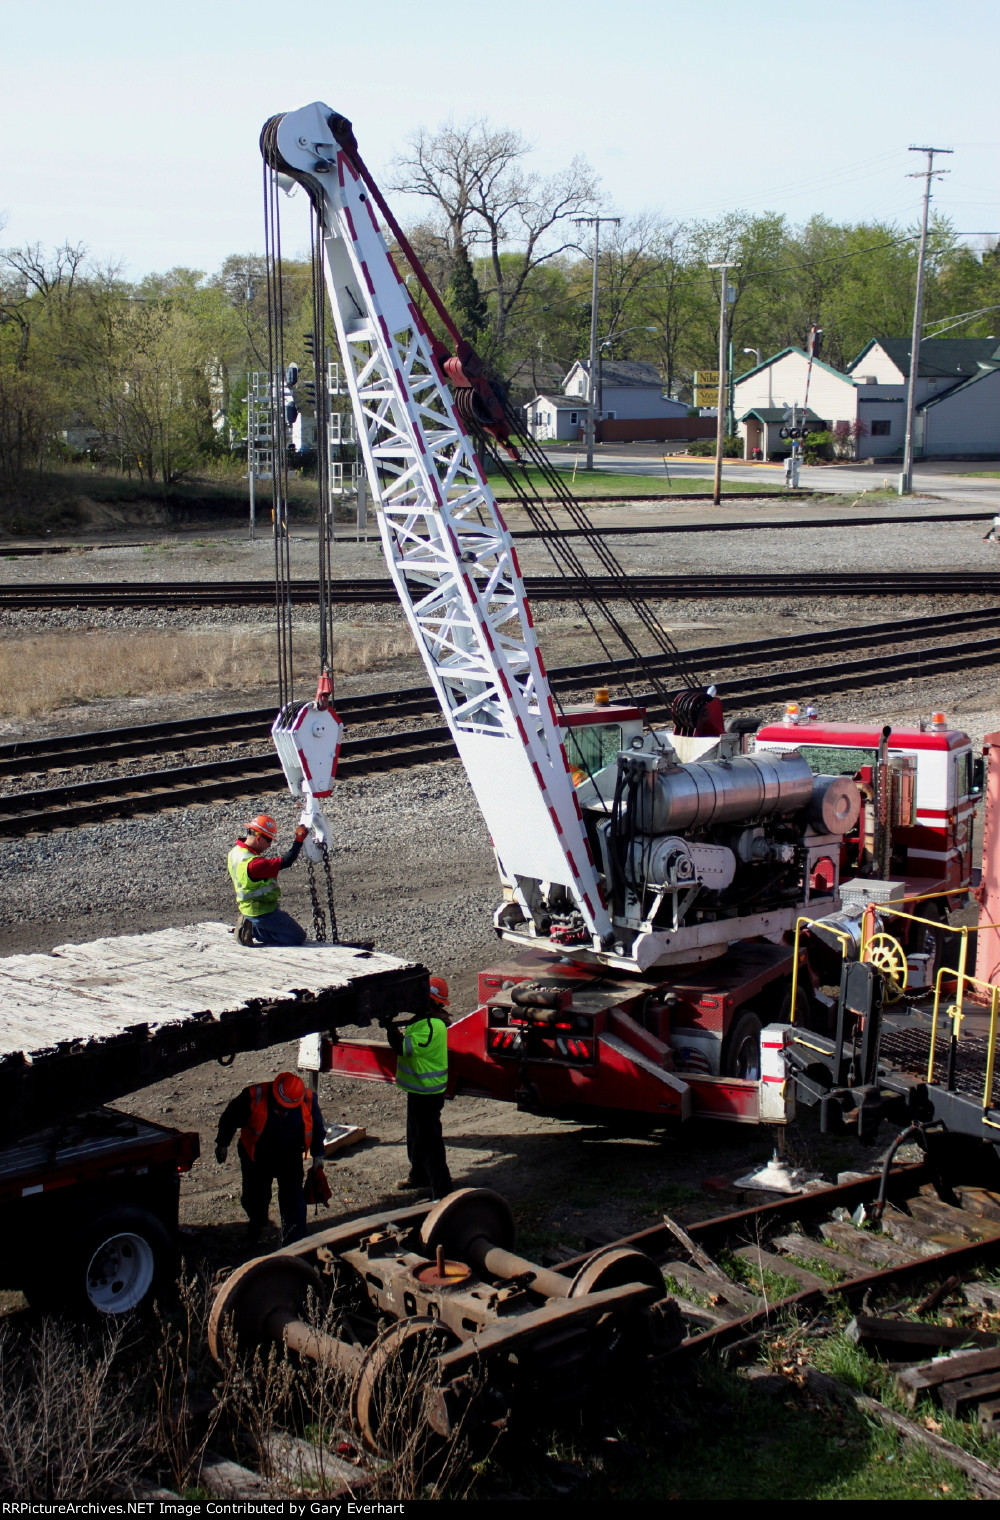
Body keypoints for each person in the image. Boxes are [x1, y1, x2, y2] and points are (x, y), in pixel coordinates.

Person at [215, 1070, 326, 1245]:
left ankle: (294, 1243)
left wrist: (318, 1155)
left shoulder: (307, 1100)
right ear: (275, 1092)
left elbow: (318, 1128)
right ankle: (256, 1227)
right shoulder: (253, 1095)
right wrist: (222, 1143)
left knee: (293, 1201)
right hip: (257, 1157)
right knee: (255, 1199)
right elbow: (229, 1118)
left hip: (289, 1157)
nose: (283, 1108)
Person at [383, 976, 453, 1201]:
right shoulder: (425, 1020)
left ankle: (442, 1192)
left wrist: (389, 1028)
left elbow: (403, 1048)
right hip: (419, 1091)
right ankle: (419, 1175)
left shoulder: (432, 1026)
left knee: (431, 1142)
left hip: (427, 1093)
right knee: (415, 1136)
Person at [228, 813, 308, 947]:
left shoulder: (236, 852)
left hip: (248, 907)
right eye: (269, 841)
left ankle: (251, 925)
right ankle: (252, 930)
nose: (269, 845)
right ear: (259, 839)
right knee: (297, 937)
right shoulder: (255, 864)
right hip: (262, 911)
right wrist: (299, 840)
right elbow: (287, 861)